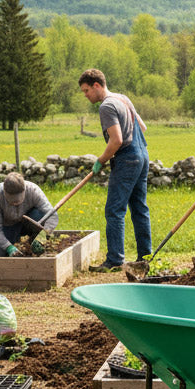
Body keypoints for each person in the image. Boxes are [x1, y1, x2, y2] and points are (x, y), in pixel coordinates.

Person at [78, 68, 152, 272]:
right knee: (139, 207)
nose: (85, 95)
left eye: (86, 91)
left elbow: (117, 139)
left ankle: (114, 260)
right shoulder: (123, 99)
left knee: (114, 209)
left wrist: (101, 160)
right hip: (142, 154)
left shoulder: (106, 106)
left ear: (96, 85)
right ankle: (145, 255)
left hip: (127, 158)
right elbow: (142, 127)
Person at [0, 171, 59, 257]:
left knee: (40, 214)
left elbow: (53, 216)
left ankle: (34, 241)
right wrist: (8, 247)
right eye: (12, 201)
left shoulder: (33, 190)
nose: (15, 203)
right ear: (4, 192)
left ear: (24, 190)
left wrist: (42, 237)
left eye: (18, 200)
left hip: (29, 223)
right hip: (7, 226)